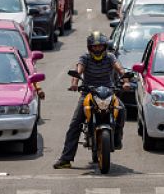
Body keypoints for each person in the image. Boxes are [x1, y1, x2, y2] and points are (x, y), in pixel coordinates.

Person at [53, 31, 130, 169]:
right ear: (90, 47)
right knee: (75, 124)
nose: (97, 49)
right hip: (88, 93)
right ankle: (65, 159)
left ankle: (117, 138)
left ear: (104, 46)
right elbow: (78, 70)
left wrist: (125, 82)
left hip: (108, 92)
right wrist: (74, 83)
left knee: (122, 110)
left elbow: (120, 69)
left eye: (100, 46)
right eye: (94, 47)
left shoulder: (110, 57)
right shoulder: (85, 57)